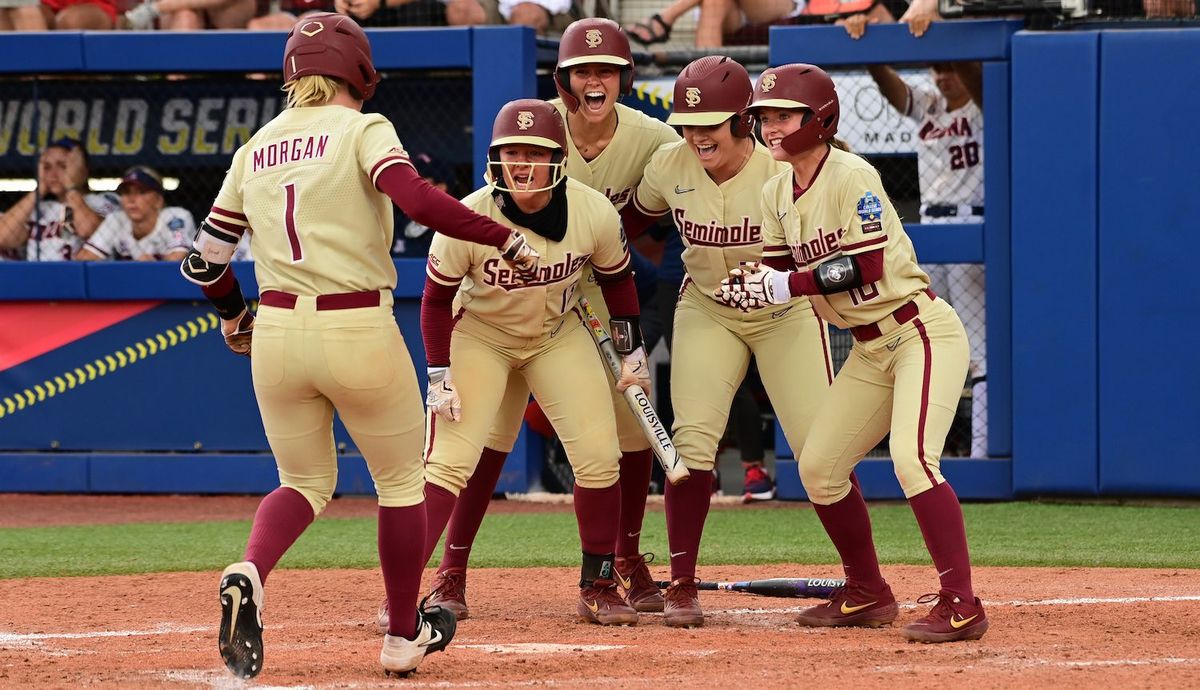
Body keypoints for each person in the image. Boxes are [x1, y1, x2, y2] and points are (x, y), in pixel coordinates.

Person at [177, 13, 539, 679]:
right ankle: (404, 636)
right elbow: (420, 203)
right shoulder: (363, 128)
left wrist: (234, 313)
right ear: (360, 70)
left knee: (303, 483)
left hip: (278, 331)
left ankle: (250, 569)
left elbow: (204, 262)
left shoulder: (253, 147)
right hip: (356, 324)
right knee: (402, 483)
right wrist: (501, 236)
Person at [401, 18, 679, 625]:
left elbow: (620, 281)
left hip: (560, 329)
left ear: (560, 161)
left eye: (535, 155)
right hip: (485, 335)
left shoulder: (594, 209)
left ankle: (600, 580)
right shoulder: (468, 217)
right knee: (458, 458)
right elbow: (433, 301)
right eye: (509, 157)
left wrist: (632, 351)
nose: (522, 167)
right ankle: (436, 580)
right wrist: (439, 373)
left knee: (602, 453)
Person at [719, 62, 989, 643]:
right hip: (868, 349)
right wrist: (747, 286)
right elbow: (777, 270)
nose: (770, 127)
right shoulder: (775, 189)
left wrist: (786, 285)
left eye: (784, 115)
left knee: (914, 460)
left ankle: (962, 602)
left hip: (918, 331)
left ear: (819, 120)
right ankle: (867, 590)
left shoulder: (851, 174)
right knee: (818, 469)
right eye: (763, 116)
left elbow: (862, 267)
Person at [615, 55, 834, 627]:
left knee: (822, 452)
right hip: (708, 308)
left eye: (710, 123)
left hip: (782, 312)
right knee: (690, 447)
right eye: (688, 124)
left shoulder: (781, 170)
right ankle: (682, 585)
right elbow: (625, 225)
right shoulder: (670, 164)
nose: (696, 136)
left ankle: (865, 582)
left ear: (743, 120)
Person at [866, 59, 987, 458]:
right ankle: (930, 446)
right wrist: (871, 48)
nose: (943, 75)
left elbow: (976, 77)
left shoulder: (982, 103)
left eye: (950, 67)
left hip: (972, 224)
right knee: (927, 340)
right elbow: (890, 88)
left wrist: (955, 48)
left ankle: (983, 451)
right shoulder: (930, 105)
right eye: (936, 68)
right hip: (931, 230)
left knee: (978, 350)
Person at [0, 138, 120, 262]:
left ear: (83, 170)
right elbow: (2, 238)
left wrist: (71, 189)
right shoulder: (37, 209)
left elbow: (87, 230)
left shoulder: (104, 200)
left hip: (86, 278)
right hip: (39, 278)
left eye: (63, 166)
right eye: (47, 167)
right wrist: (38, 191)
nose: (53, 174)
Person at [76, 166, 193, 262]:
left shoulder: (175, 217)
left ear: (158, 200)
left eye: (141, 192)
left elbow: (178, 257)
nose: (132, 199)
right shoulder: (117, 220)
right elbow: (84, 258)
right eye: (126, 192)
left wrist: (151, 265)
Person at [122, 0, 253, 29]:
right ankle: (176, 89)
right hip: (172, 21)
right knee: (185, 17)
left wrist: (157, 8)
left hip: (229, 28)